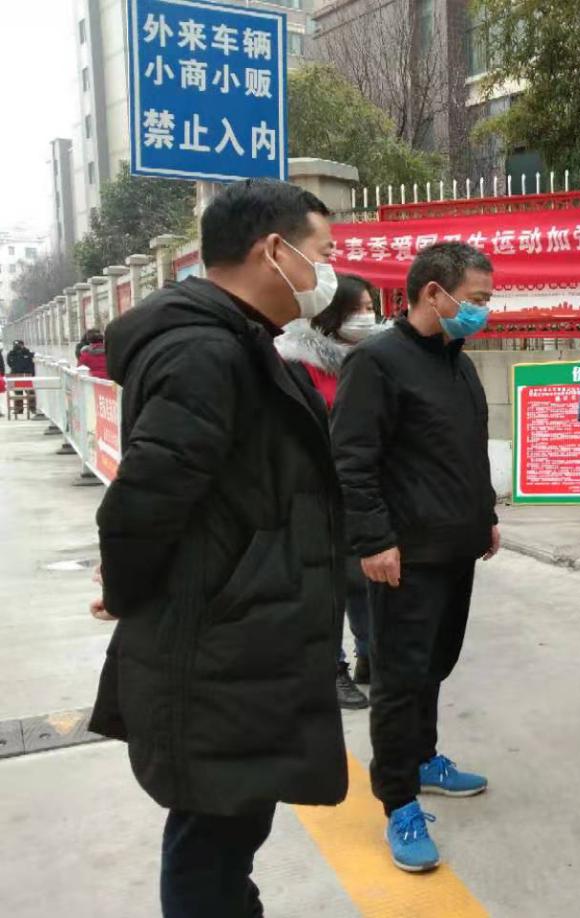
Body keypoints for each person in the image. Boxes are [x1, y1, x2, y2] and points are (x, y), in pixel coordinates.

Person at [88, 179, 348, 918]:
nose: (326, 271)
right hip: (218, 637)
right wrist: (131, 592)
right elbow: (144, 500)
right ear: (275, 249)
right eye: (321, 253)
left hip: (243, 628)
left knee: (230, 823)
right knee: (213, 829)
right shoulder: (206, 352)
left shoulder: (237, 341)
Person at [332, 242, 500, 873]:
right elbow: (352, 459)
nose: (484, 311)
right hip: (404, 556)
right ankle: (397, 799)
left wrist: (484, 515)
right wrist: (373, 541)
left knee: (434, 664)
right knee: (400, 681)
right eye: (477, 299)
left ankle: (425, 759)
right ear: (435, 292)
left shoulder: (456, 360)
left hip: (456, 547)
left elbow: (463, 449)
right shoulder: (378, 361)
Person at [276, 273, 384, 710]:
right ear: (329, 313)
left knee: (365, 580)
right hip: (313, 492)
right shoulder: (293, 364)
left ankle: (369, 655)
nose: (367, 316)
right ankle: (329, 667)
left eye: (370, 307)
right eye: (357, 308)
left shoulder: (377, 358)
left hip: (364, 491)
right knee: (324, 586)